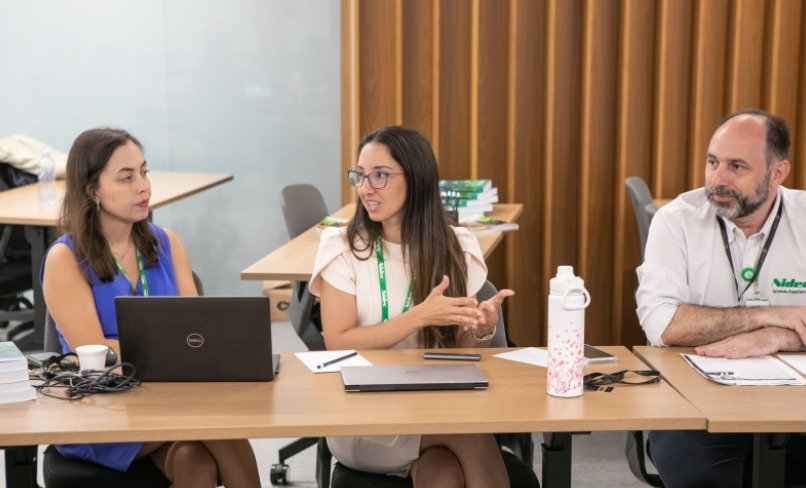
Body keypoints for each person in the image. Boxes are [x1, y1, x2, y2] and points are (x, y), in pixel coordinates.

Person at [41, 127, 261, 488]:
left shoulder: (167, 243)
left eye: (144, 172)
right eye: (126, 177)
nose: (143, 187)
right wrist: (178, 352)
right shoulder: (65, 258)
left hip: (169, 397)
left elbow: (198, 333)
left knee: (196, 465)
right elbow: (94, 353)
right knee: (218, 426)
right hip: (102, 404)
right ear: (92, 190)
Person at [309, 125, 513, 487]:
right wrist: (418, 317)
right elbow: (338, 342)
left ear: (416, 179)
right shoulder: (343, 247)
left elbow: (462, 354)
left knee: (443, 474)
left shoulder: (457, 246)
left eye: (380, 175)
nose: (365, 188)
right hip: (363, 412)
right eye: (360, 175)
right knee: (469, 433)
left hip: (434, 402)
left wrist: (481, 331)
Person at [636, 108, 806, 487]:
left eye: (736, 167)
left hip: (796, 401)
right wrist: (767, 316)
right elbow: (662, 324)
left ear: (777, 172)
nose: (718, 179)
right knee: (699, 477)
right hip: (696, 401)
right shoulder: (676, 220)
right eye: (713, 162)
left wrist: (777, 337)